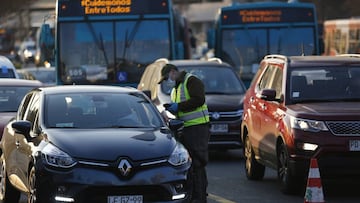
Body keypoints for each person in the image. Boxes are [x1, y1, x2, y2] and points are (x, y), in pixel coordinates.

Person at [158, 63, 210, 203]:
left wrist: (178, 107)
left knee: (198, 163)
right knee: (191, 164)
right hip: (186, 128)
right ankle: (195, 196)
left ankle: (200, 197)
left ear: (173, 72)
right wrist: (172, 111)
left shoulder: (191, 80)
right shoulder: (177, 88)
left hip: (198, 128)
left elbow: (199, 99)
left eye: (167, 77)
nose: (167, 81)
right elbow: (182, 109)